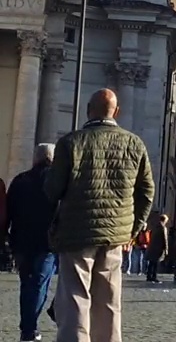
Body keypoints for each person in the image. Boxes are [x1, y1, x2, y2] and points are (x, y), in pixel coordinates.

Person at [45, 88, 155, 342]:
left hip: (75, 231)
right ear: (116, 112)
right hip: (117, 233)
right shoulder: (134, 144)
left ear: (87, 110)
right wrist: (134, 229)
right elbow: (146, 192)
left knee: (75, 296)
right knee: (109, 299)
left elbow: (52, 190)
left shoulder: (70, 143)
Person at [7, 144, 58, 342]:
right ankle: (30, 328)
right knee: (39, 284)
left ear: (35, 159)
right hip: (46, 242)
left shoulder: (20, 180)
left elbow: (9, 211)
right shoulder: (55, 181)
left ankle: (26, 327)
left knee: (26, 283)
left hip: (21, 241)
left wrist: (8, 238)